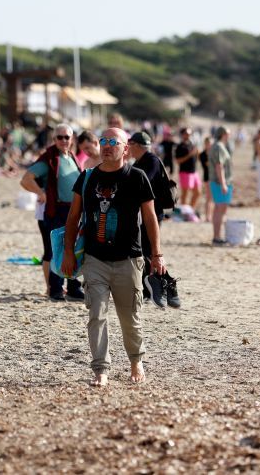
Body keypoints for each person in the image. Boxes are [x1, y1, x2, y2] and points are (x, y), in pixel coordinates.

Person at [61, 128, 165, 387]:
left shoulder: (137, 177)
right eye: (102, 141)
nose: (107, 146)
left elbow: (150, 219)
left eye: (113, 142)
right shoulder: (86, 178)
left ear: (125, 148)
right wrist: (67, 252)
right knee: (96, 313)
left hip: (129, 259)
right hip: (95, 259)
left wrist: (157, 254)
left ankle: (135, 360)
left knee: (130, 316)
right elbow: (73, 217)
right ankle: (101, 369)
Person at [20, 124, 84, 301]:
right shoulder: (49, 158)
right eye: (60, 137)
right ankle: (55, 288)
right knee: (57, 250)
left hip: (74, 210)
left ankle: (73, 286)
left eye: (67, 137)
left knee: (75, 248)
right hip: (56, 210)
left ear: (72, 140)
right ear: (54, 139)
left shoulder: (71, 156)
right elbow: (26, 180)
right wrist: (40, 193)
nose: (64, 140)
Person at [128, 132, 180, 308]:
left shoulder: (151, 160)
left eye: (130, 144)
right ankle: (148, 288)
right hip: (144, 212)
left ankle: (167, 283)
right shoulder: (140, 162)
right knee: (144, 250)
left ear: (137, 145)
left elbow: (144, 182)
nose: (128, 148)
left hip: (152, 212)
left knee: (149, 251)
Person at [208, 127, 233, 245]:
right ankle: (217, 237)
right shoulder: (219, 146)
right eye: (228, 133)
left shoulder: (218, 146)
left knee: (219, 210)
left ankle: (217, 236)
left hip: (219, 182)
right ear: (223, 134)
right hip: (220, 183)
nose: (229, 136)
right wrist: (223, 184)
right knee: (220, 210)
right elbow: (219, 166)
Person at [174, 127, 201, 208]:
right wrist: (189, 155)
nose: (188, 135)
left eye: (189, 134)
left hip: (194, 171)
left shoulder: (192, 144)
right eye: (186, 133)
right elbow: (178, 161)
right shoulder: (180, 146)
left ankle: (190, 210)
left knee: (198, 192)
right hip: (185, 172)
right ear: (182, 135)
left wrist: (197, 153)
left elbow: (197, 157)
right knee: (185, 193)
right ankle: (184, 211)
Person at [199, 136, 213, 222]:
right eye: (208, 143)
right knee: (208, 198)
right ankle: (208, 216)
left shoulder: (213, 153)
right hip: (207, 177)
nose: (209, 145)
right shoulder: (203, 154)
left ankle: (210, 215)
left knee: (212, 198)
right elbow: (208, 165)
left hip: (214, 178)